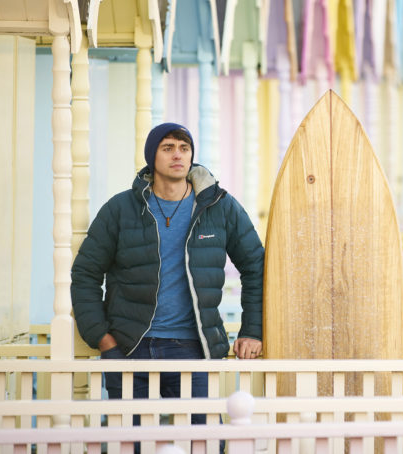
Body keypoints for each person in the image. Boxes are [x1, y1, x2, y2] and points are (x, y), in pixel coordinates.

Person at [71, 122, 264, 433]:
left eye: (184, 148)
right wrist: (104, 341)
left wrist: (252, 330)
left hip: (193, 349)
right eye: (168, 147)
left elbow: (256, 265)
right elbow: (85, 273)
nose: (178, 154)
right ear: (152, 157)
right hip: (130, 348)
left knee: (204, 442)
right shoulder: (121, 209)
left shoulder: (219, 207)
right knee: (130, 444)